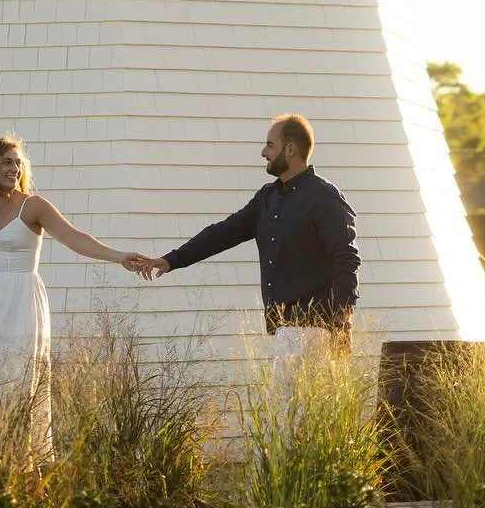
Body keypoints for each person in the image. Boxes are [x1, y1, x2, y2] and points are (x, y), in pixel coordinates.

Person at [0, 131, 146, 456]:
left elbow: (74, 237)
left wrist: (118, 256)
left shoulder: (33, 206)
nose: (14, 168)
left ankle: (22, 470)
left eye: (18, 163)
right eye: (6, 162)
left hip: (23, 303)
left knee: (18, 382)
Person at [139, 114, 359, 367]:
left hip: (315, 328)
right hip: (286, 329)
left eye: (270, 145)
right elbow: (222, 233)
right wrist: (170, 260)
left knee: (295, 405)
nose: (263, 152)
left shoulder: (324, 196)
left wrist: (342, 322)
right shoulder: (267, 198)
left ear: (290, 149)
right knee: (288, 406)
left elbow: (347, 258)